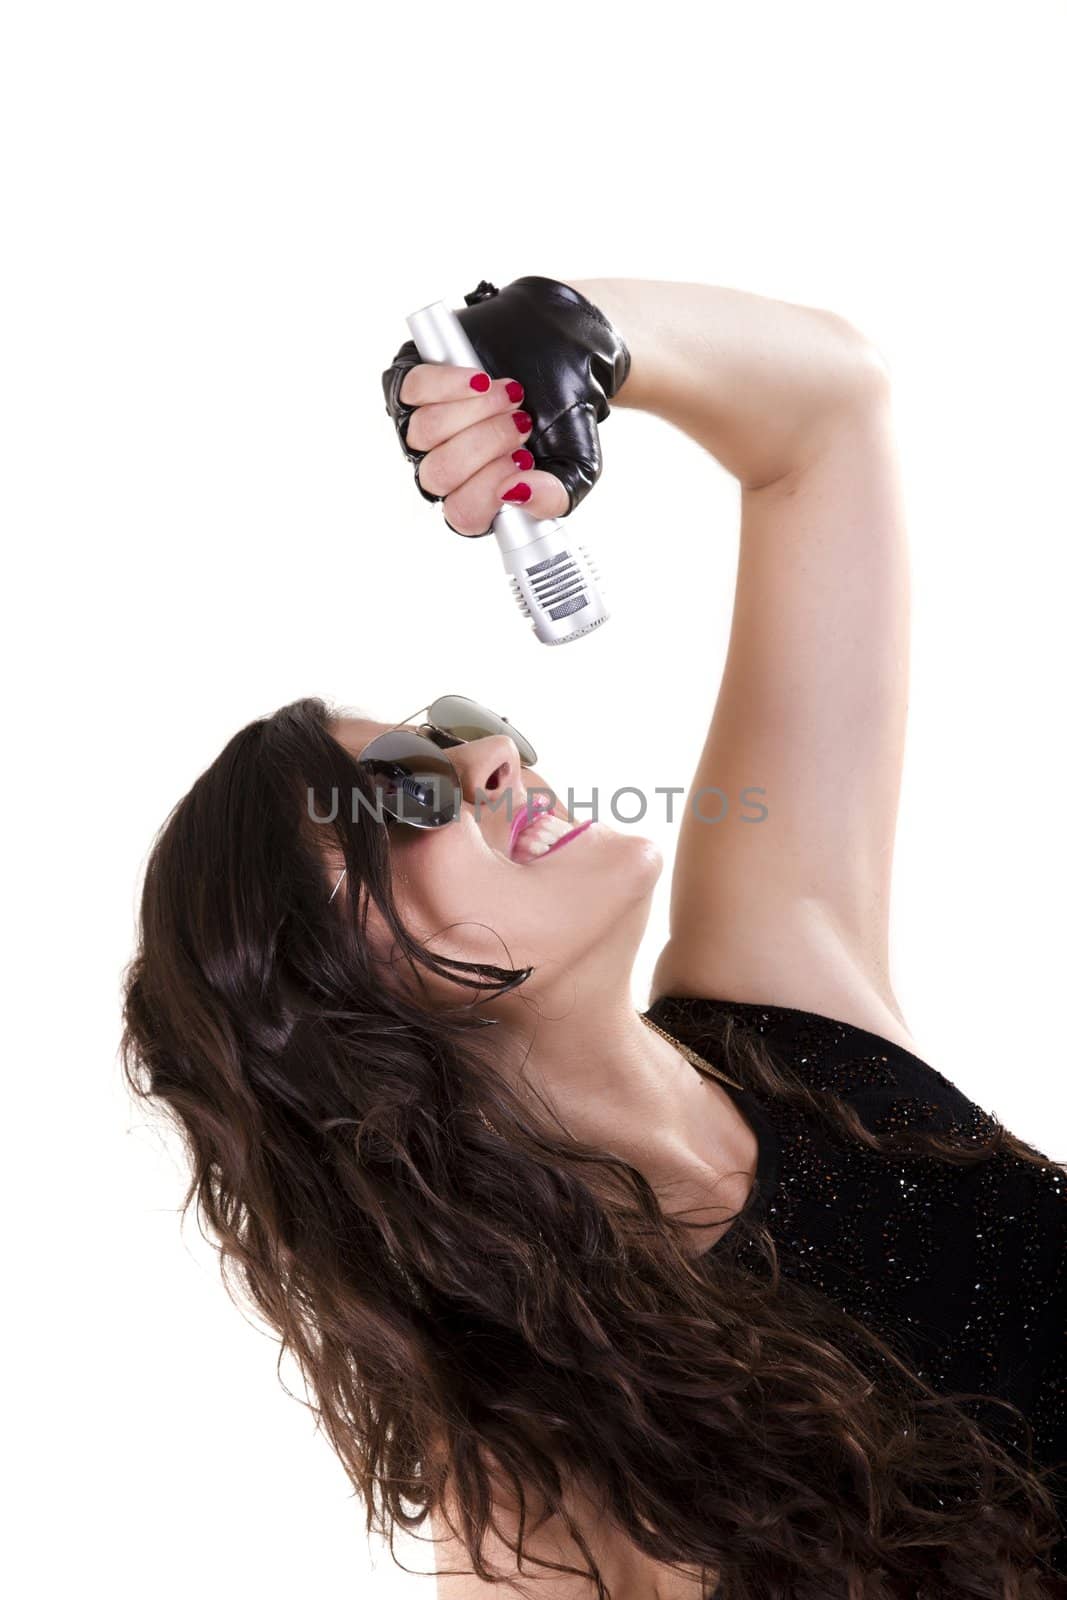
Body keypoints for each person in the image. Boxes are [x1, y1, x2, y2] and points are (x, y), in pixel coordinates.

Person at [121, 275, 1066, 1596]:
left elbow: (826, 419)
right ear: (337, 1005)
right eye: (401, 797)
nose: (491, 751)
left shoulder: (782, 993)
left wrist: (579, 341)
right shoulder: (536, 1497)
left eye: (448, 726)